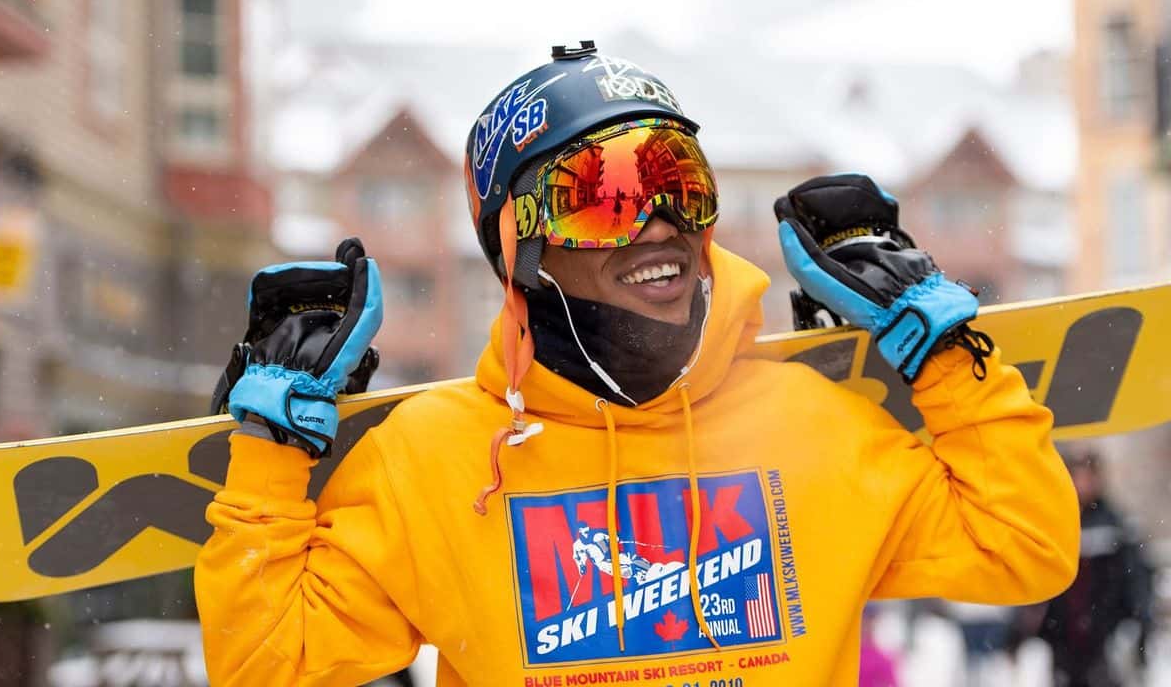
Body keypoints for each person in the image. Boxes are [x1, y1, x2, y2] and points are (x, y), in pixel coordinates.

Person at [194, 42, 1080, 685]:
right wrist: (273, 448)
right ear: (522, 246)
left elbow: (1026, 547)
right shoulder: (432, 462)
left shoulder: (812, 423)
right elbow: (272, 664)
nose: (658, 220)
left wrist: (939, 342)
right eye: (603, 194)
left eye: (678, 181)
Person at [1034, 449, 1155, 687]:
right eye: (1076, 476)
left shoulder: (1116, 525)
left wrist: (1139, 623)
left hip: (1105, 636)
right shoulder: (1057, 524)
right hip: (1064, 637)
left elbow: (1136, 579)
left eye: (1087, 476)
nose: (1082, 483)